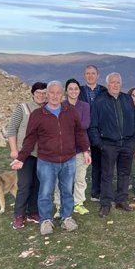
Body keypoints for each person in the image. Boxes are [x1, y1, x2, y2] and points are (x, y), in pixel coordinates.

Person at [11, 81, 91, 235]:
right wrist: (21, 157)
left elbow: (79, 132)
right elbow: (30, 139)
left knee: (67, 191)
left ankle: (66, 217)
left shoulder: (71, 111)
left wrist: (86, 151)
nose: (55, 96)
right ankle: (46, 220)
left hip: (68, 160)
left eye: (58, 93)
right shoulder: (38, 115)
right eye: (51, 93)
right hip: (46, 161)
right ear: (47, 95)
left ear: (63, 95)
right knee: (45, 192)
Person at [88, 72, 135, 217]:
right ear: (107, 84)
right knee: (107, 174)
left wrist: (133, 138)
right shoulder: (100, 101)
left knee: (124, 173)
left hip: (127, 143)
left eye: (117, 82)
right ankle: (105, 203)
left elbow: (134, 120)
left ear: (121, 84)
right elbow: (93, 126)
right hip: (108, 144)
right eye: (112, 82)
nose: (115, 85)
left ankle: (121, 199)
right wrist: (99, 144)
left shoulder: (127, 99)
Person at [5, 82, 47, 230]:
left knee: (37, 184)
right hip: (25, 153)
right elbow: (12, 130)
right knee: (24, 184)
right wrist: (14, 150)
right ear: (33, 94)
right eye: (38, 93)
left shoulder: (48, 108)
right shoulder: (23, 108)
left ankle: (33, 212)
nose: (41, 96)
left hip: (42, 154)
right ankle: (19, 215)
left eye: (44, 93)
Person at [52, 79, 91, 218]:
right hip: (63, 148)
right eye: (70, 89)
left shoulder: (85, 106)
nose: (73, 91)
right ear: (66, 91)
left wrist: (69, 125)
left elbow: (85, 124)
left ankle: (78, 203)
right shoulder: (60, 105)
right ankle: (59, 205)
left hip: (81, 147)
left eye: (76, 88)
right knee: (61, 179)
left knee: (80, 178)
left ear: (79, 91)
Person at [78, 65, 107, 202]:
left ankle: (97, 192)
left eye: (93, 73)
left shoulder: (104, 91)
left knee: (99, 164)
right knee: (80, 164)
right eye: (87, 73)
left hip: (100, 132)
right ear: (84, 76)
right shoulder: (79, 91)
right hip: (83, 131)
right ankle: (76, 194)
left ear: (98, 75)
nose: (90, 76)